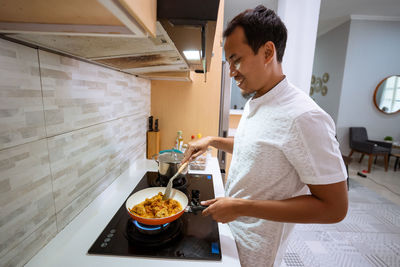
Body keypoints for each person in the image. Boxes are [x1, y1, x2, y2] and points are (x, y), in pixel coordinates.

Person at [182, 5, 348, 267]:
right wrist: (213, 141)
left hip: (255, 252)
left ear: (268, 52)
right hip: (231, 233)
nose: (232, 71)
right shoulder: (256, 100)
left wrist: (240, 207)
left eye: (236, 60)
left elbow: (335, 208)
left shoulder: (305, 118)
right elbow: (260, 150)